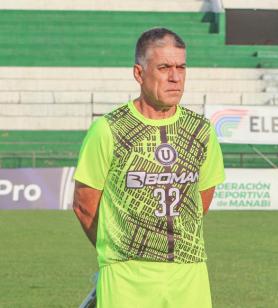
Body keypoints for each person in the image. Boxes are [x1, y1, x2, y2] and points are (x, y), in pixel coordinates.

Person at [73, 27, 225, 308]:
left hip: (189, 273)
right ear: (139, 73)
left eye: (181, 67)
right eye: (164, 67)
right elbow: (84, 205)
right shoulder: (108, 129)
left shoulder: (201, 131)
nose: (175, 77)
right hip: (127, 276)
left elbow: (200, 200)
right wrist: (116, 249)